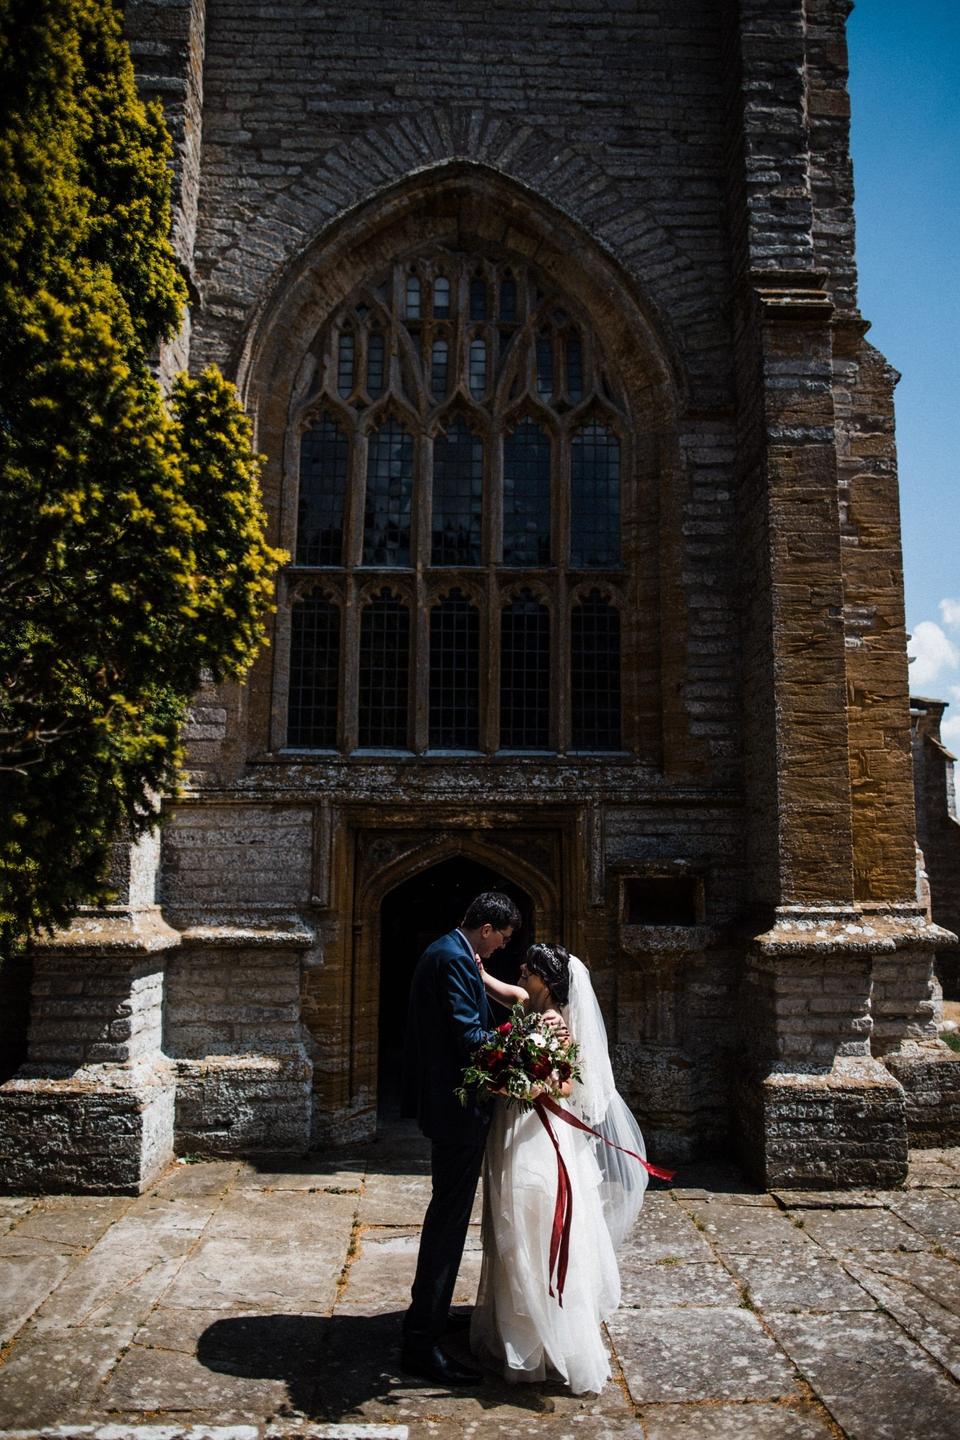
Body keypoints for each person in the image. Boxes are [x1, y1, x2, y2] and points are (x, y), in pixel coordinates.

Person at [471, 942, 649, 1395]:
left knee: (532, 1220)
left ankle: (545, 1336)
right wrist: (480, 972)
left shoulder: (555, 1023)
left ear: (546, 981)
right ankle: (518, 1323)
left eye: (528, 968)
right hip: (517, 1126)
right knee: (514, 1219)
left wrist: (522, 1088)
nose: (522, 971)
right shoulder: (534, 1005)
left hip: (538, 1130)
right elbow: (508, 993)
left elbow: (566, 1085)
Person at [400, 889, 522, 1386]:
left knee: (448, 1214)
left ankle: (432, 1313)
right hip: (456, 1111)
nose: (501, 950)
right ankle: (420, 1343)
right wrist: (527, 1041)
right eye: (503, 939)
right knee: (449, 1221)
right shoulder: (451, 959)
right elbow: (469, 1039)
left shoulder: (453, 952)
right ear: (487, 928)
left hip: (452, 1108)